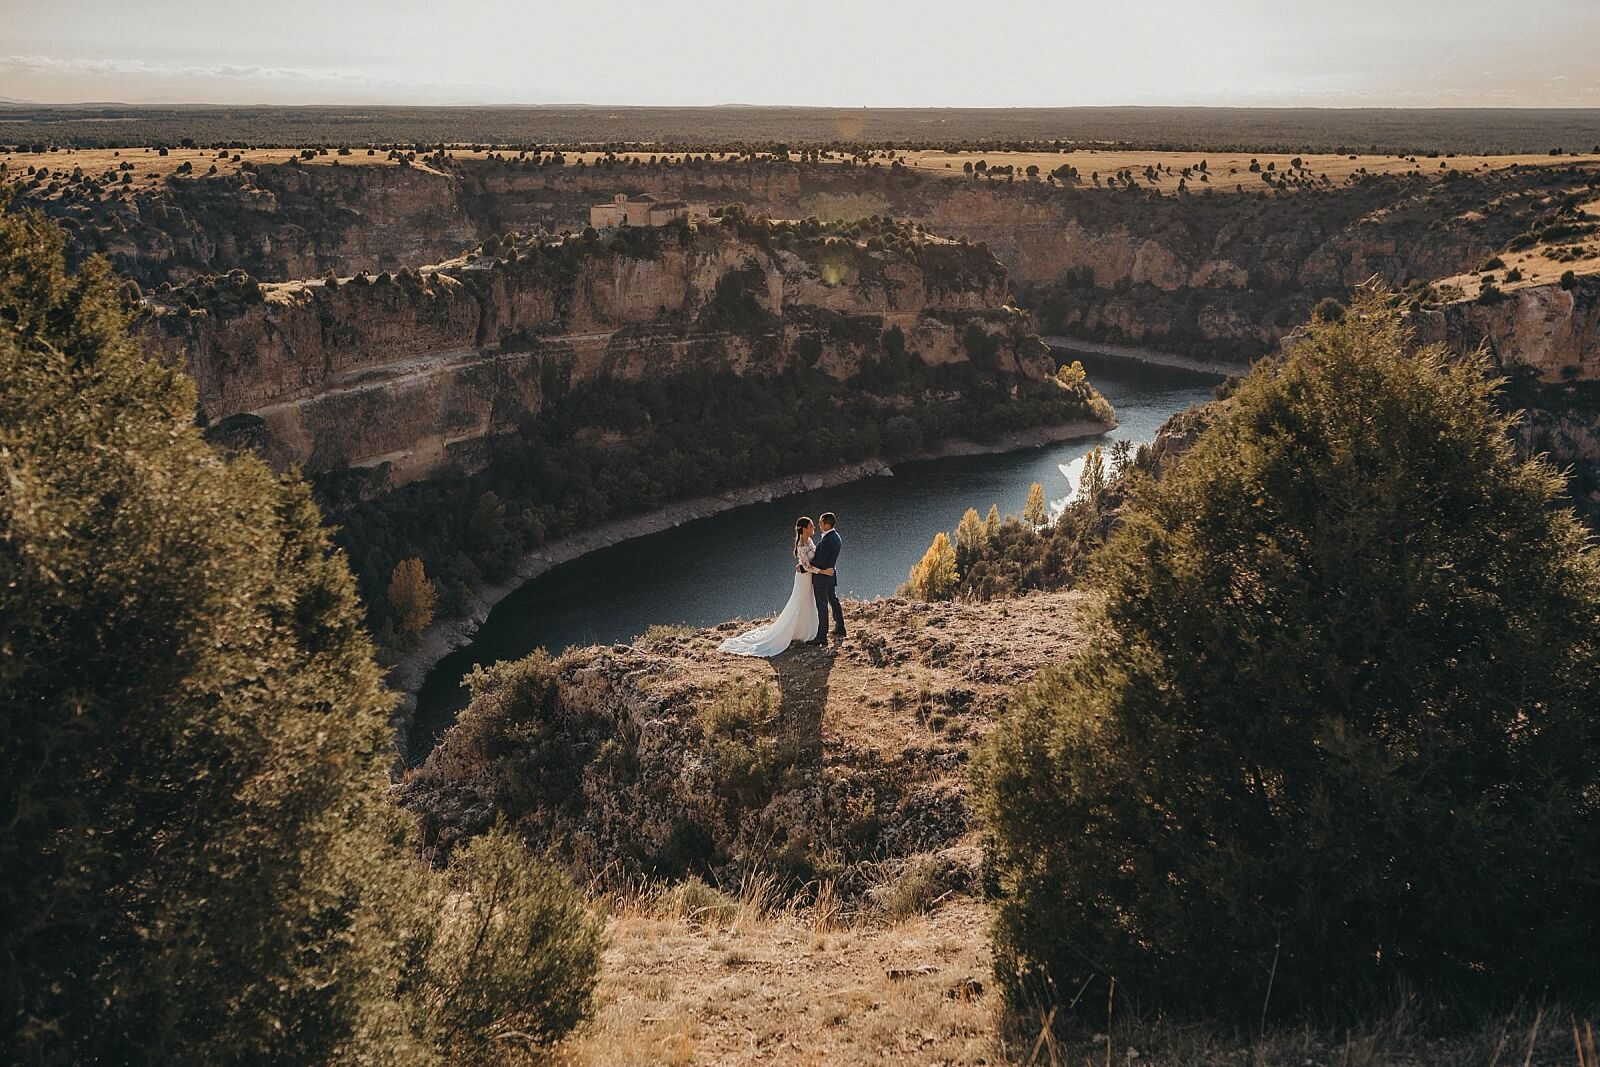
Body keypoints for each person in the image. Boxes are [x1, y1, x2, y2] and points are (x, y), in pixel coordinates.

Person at [716, 517, 822, 657]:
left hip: (809, 577)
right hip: (804, 578)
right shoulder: (801, 545)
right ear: (803, 528)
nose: (813, 526)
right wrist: (821, 571)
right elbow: (807, 566)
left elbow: (809, 560)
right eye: (811, 525)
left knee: (809, 602)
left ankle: (807, 631)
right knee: (799, 603)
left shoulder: (809, 540)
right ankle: (793, 631)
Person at [803, 512, 845, 644]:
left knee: (822, 606)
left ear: (827, 525)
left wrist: (804, 565)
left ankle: (822, 637)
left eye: (821, 523)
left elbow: (819, 561)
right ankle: (840, 627)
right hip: (831, 574)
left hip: (822, 577)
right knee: (833, 600)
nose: (818, 525)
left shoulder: (827, 541)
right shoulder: (835, 536)